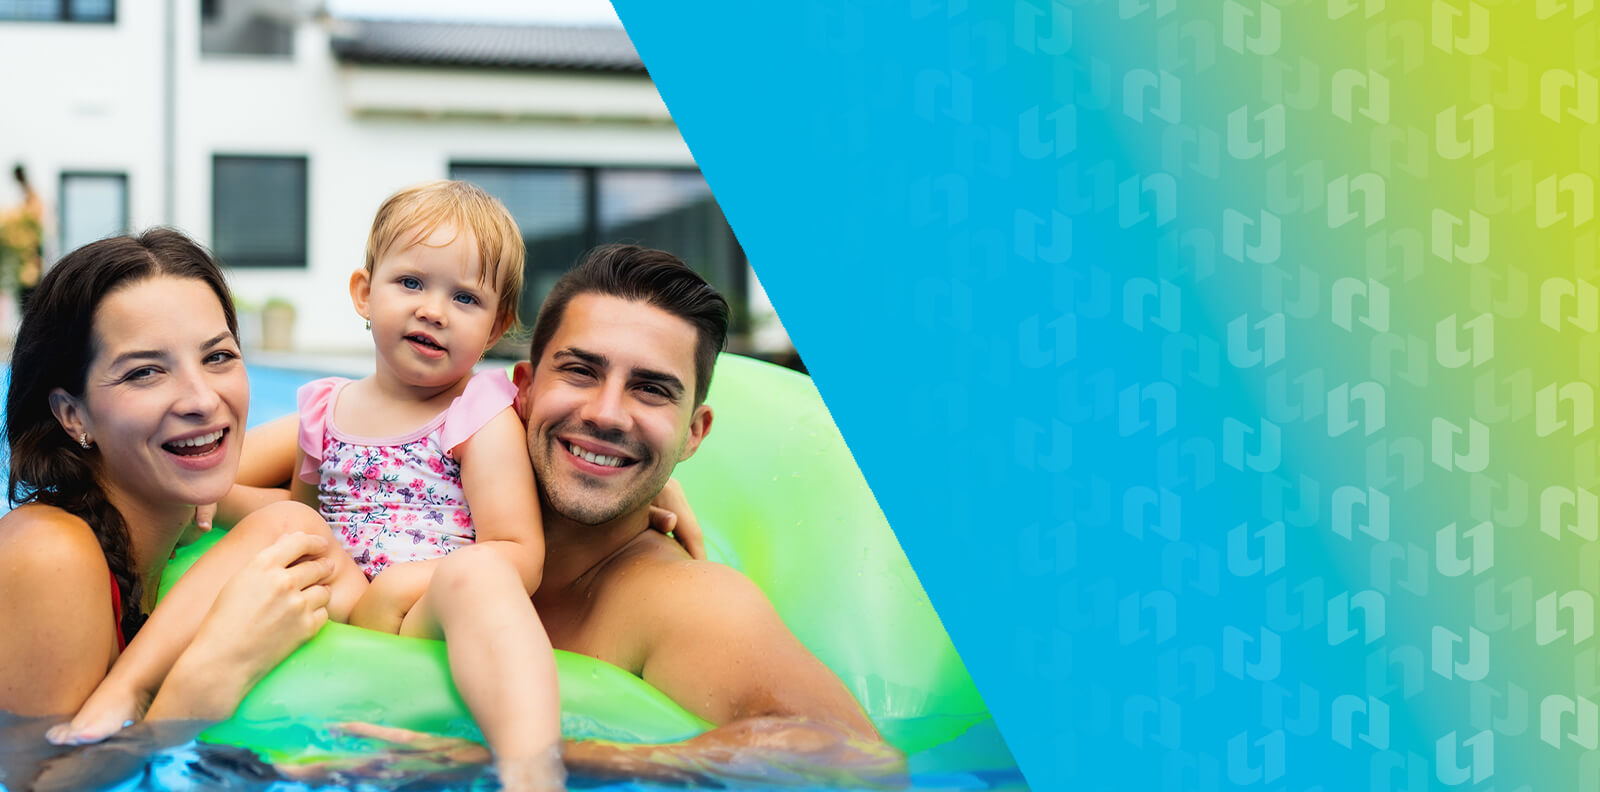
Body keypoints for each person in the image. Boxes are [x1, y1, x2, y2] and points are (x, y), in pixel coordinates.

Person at [313, 244, 903, 786]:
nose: (608, 414)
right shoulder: (421, 484)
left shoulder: (684, 605)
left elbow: (858, 759)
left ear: (692, 434)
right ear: (520, 390)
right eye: (580, 371)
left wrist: (553, 758)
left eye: (651, 390)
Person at [52, 184, 567, 789]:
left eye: (465, 297)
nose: (434, 309)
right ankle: (127, 687)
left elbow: (517, 553)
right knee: (286, 527)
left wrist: (414, 581)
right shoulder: (329, 407)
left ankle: (532, 771)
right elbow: (274, 498)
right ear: (363, 293)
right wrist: (214, 500)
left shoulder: (479, 412)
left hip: (428, 606)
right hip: (346, 593)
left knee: (479, 574)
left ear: (496, 326)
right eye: (411, 283)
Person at [0, 229, 341, 763]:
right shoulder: (50, 552)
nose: (203, 400)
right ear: (72, 414)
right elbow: (38, 784)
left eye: (218, 357)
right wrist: (213, 673)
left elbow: (331, 448)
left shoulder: (167, 512)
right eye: (145, 372)